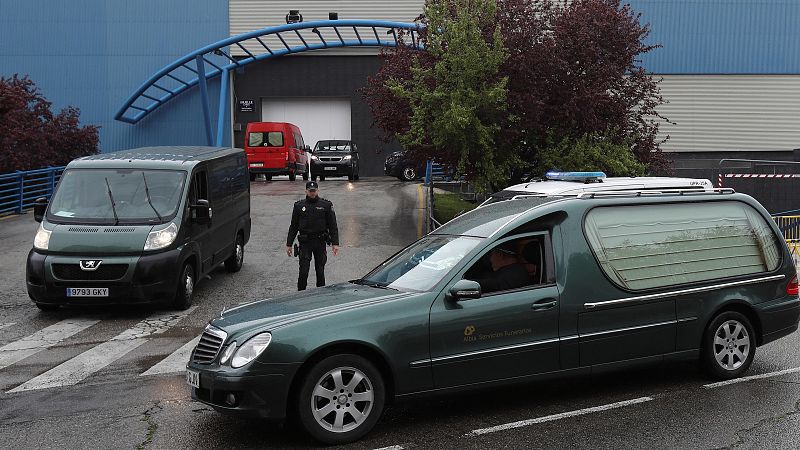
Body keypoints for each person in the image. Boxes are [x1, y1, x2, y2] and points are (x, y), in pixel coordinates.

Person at [286, 181, 340, 290]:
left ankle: (320, 296)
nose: (312, 193)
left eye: (314, 191)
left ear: (317, 191)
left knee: (320, 271)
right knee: (303, 272)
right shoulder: (299, 206)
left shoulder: (326, 205)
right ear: (306, 191)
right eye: (310, 191)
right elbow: (294, 226)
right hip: (305, 243)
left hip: (320, 242)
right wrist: (289, 244)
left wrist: (335, 243)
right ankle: (300, 295)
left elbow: (333, 225)